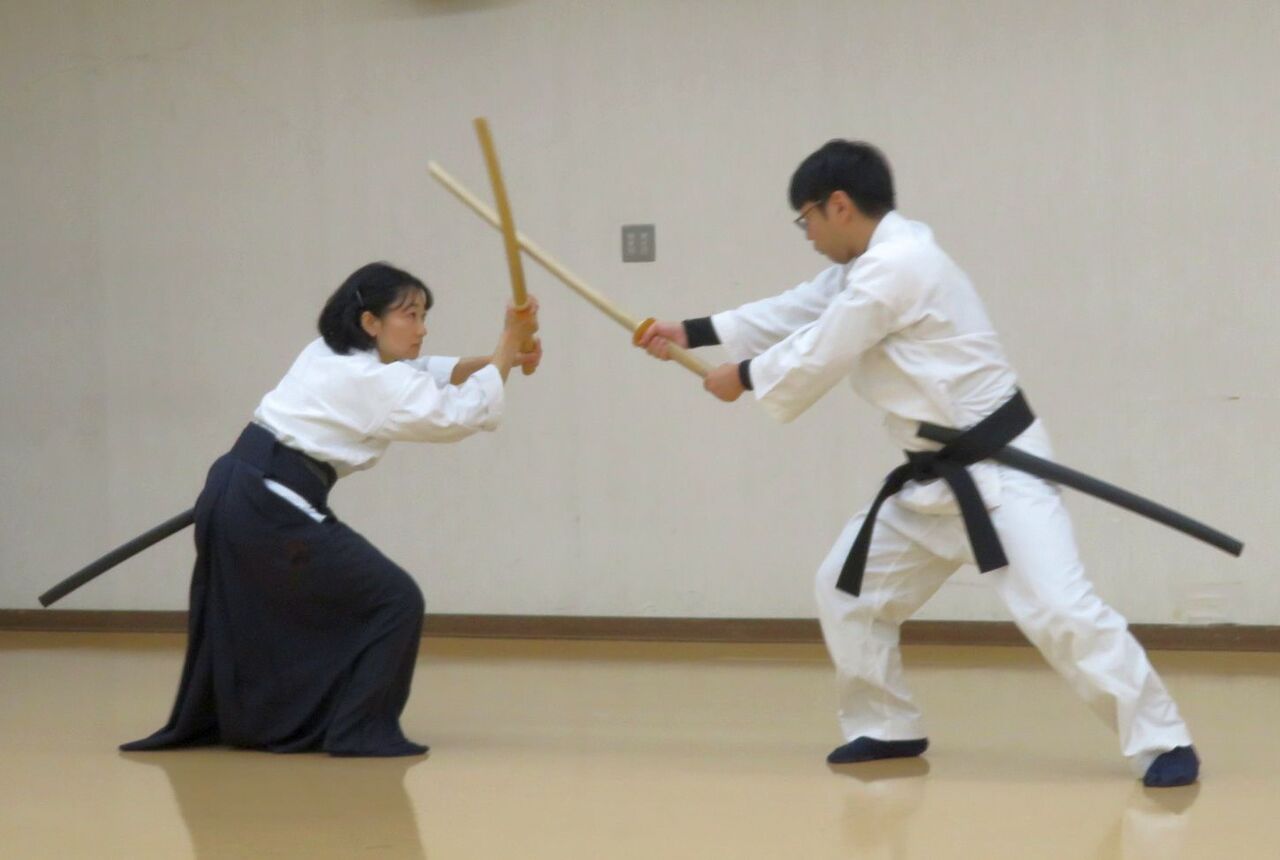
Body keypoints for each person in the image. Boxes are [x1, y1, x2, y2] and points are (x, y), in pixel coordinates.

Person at [636, 140, 1198, 787]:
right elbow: (799, 309)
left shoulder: (899, 264)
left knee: (1062, 611)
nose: (807, 233)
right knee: (847, 589)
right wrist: (693, 331)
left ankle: (1164, 740)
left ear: (837, 206)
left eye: (805, 218)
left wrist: (743, 376)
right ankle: (886, 726)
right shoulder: (867, 266)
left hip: (1001, 473)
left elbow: (825, 346)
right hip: (933, 480)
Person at [122, 262, 540, 757]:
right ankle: (357, 729)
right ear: (370, 322)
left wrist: (503, 357)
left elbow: (424, 373)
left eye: (424, 316)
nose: (422, 328)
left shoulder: (329, 352)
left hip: (239, 489)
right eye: (410, 315)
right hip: (267, 502)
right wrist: (508, 343)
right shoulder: (368, 381)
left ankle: (278, 718)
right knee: (394, 599)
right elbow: (457, 413)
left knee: (281, 609)